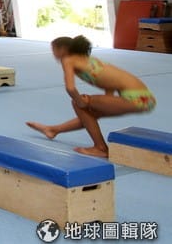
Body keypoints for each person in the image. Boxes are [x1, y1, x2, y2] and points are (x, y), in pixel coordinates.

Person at [26, 36, 156, 159]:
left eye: (53, 49)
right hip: (145, 98)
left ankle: (100, 148)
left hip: (134, 98)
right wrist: (106, 102)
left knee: (78, 103)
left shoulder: (68, 60)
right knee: (90, 113)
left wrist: (81, 102)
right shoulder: (88, 59)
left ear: (62, 49)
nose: (53, 53)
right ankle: (53, 130)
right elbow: (110, 81)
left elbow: (70, 88)